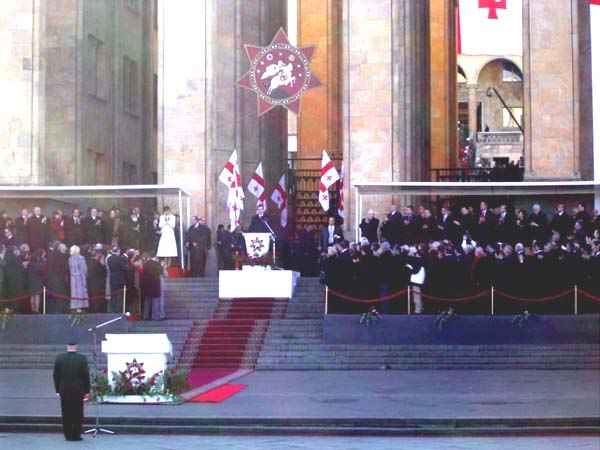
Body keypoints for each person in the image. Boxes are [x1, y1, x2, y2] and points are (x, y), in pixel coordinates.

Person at [53, 341, 90, 442]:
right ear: (76, 347)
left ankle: (67, 434)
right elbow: (85, 375)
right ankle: (76, 435)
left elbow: (56, 375)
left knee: (66, 412)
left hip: (64, 389)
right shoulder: (82, 358)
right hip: (78, 390)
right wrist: (87, 390)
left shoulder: (60, 358)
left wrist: (57, 389)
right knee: (78, 413)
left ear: (67, 346)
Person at [106, 246, 128, 313]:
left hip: (112, 278)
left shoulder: (109, 259)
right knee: (119, 296)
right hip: (119, 279)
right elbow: (124, 267)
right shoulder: (119, 258)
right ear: (118, 251)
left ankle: (113, 309)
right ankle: (118, 309)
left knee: (113, 295)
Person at [140, 255, 162, 320]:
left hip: (147, 284)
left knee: (147, 301)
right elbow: (159, 272)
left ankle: (145, 316)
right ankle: (154, 316)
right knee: (155, 301)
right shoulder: (156, 264)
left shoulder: (146, 264)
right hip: (155, 284)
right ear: (155, 257)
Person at [68, 246, 88, 311]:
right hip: (80, 278)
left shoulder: (70, 259)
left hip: (73, 278)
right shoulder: (81, 258)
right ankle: (80, 308)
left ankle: (76, 308)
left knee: (75, 294)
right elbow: (84, 269)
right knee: (80, 293)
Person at [87, 249, 107, 313]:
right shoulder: (97, 264)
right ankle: (96, 311)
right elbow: (104, 273)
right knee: (97, 300)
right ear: (98, 255)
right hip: (98, 284)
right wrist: (103, 264)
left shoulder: (89, 262)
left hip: (91, 283)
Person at [27, 249, 45, 313]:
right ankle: (36, 310)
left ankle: (32, 309)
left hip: (31, 281)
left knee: (32, 296)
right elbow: (42, 273)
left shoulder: (29, 264)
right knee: (37, 296)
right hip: (38, 281)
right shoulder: (39, 265)